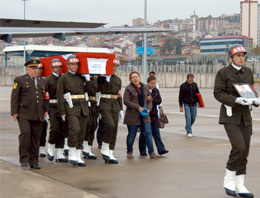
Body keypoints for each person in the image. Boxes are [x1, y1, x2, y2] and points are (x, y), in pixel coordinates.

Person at [214, 44, 259, 198]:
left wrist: (255, 99)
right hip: (230, 115)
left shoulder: (248, 72)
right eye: (238, 56)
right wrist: (236, 99)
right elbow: (218, 93)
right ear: (231, 58)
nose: (241, 58)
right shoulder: (223, 73)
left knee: (245, 150)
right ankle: (229, 179)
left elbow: (251, 89)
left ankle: (240, 184)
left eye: (243, 55)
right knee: (238, 147)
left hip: (245, 116)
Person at [11, 59, 49, 169]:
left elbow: (46, 97)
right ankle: (24, 159)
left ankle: (34, 161)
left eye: (37, 68)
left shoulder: (43, 81)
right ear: (27, 69)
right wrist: (14, 111)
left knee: (36, 137)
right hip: (24, 113)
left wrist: (46, 110)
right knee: (25, 134)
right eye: (33, 68)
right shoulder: (20, 80)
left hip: (38, 113)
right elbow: (14, 97)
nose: (36, 71)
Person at [57, 55, 89, 167]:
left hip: (83, 107)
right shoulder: (63, 78)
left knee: (82, 131)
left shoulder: (82, 77)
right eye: (72, 64)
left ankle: (78, 155)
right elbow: (60, 96)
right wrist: (62, 112)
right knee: (75, 129)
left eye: (76, 64)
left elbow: (90, 90)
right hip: (71, 107)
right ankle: (71, 152)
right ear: (68, 65)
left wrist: (88, 79)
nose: (75, 66)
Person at [123, 71, 157, 159]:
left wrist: (149, 108)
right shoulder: (128, 88)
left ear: (139, 77)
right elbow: (126, 101)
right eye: (133, 77)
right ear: (130, 79)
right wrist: (138, 107)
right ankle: (129, 151)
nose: (135, 78)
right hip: (133, 115)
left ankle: (151, 152)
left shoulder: (145, 87)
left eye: (136, 77)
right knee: (132, 134)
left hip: (145, 115)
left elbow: (150, 99)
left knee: (148, 133)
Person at [97, 57, 123, 164]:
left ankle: (110, 151)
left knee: (115, 129)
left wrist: (121, 109)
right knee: (110, 125)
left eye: (116, 66)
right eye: (113, 66)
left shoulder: (118, 79)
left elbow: (119, 94)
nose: (115, 68)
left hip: (115, 104)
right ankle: (104, 147)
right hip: (104, 104)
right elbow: (97, 90)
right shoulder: (101, 77)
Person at [46, 59, 68, 163]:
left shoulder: (64, 78)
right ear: (52, 68)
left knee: (63, 129)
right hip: (52, 106)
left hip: (62, 106)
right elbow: (44, 96)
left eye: (59, 67)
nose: (58, 69)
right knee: (54, 128)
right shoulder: (48, 80)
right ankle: (50, 147)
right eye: (55, 67)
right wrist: (45, 110)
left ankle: (60, 151)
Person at [146, 75, 169, 155]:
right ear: (147, 83)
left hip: (154, 114)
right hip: (146, 114)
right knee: (145, 133)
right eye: (151, 83)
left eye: (154, 84)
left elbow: (159, 100)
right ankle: (143, 150)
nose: (153, 85)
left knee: (156, 132)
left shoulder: (156, 91)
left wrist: (151, 99)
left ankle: (161, 149)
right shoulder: (144, 90)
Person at [82, 74, 98, 160]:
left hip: (94, 103)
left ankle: (88, 147)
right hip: (84, 102)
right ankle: (84, 146)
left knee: (93, 125)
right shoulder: (82, 77)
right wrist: (87, 80)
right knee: (87, 124)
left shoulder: (95, 79)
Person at [37, 63, 48, 157]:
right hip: (32, 110)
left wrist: (46, 110)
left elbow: (47, 97)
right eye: (38, 68)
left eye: (41, 69)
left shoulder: (45, 81)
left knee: (43, 129)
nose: (39, 70)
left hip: (42, 109)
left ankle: (41, 148)